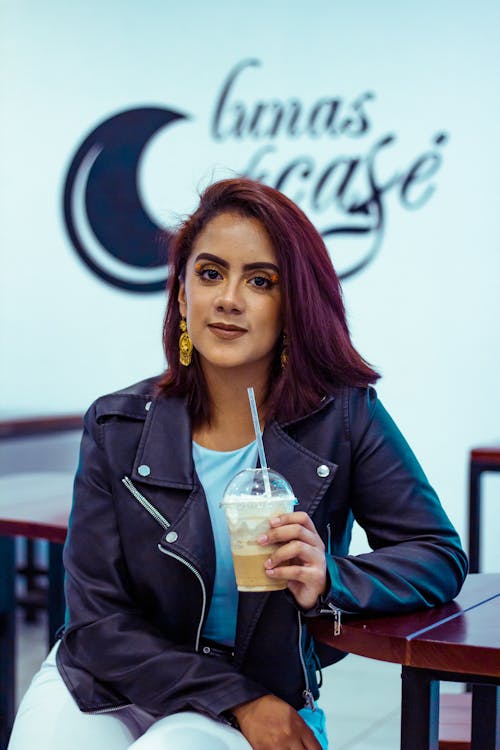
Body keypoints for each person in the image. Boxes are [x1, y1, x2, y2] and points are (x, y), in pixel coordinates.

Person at [8, 177, 467, 750]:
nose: (228, 298)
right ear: (181, 296)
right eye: (209, 273)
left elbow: (437, 555)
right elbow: (97, 622)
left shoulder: (346, 418)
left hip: (254, 691)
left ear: (293, 304)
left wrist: (330, 578)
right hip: (110, 682)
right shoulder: (116, 427)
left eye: (260, 280)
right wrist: (241, 700)